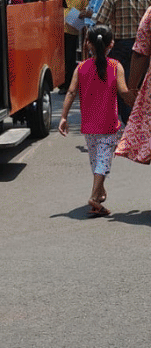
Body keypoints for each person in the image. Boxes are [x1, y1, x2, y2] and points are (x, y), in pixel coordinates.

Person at [59, 25, 135, 217]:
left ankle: (99, 194)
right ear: (111, 44)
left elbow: (70, 92)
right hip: (108, 125)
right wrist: (138, 97)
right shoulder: (115, 66)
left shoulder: (81, 67)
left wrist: (63, 117)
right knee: (103, 161)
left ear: (88, 44)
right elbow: (124, 93)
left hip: (89, 126)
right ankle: (94, 195)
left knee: (96, 160)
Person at [92, 0, 151, 124]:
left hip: (121, 47)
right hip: (146, 50)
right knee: (142, 88)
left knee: (122, 87)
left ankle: (129, 124)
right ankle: (138, 126)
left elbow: (100, 24)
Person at [62, 0, 88, 89]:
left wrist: (81, 14)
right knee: (61, 59)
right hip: (59, 31)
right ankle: (62, 84)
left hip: (73, 31)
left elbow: (86, 11)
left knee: (70, 59)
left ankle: (69, 85)